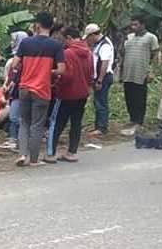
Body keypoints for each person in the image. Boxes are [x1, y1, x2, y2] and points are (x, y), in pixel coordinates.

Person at [12, 11, 65, 166]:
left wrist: (28, 68)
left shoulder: (26, 43)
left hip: (24, 88)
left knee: (24, 122)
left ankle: (22, 155)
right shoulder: (56, 45)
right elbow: (62, 69)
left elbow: (15, 64)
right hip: (42, 89)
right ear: (51, 26)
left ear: (38, 25)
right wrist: (49, 71)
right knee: (37, 124)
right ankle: (34, 160)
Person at [44, 27, 93, 163]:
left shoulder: (68, 53)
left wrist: (54, 76)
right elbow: (90, 73)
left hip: (67, 93)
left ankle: (50, 153)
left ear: (69, 38)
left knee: (56, 123)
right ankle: (71, 152)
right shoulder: (88, 52)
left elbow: (66, 75)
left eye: (65, 39)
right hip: (82, 93)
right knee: (76, 123)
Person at [120, 15, 160, 136]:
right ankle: (132, 119)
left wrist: (152, 71)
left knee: (140, 97)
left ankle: (139, 121)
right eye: (132, 25)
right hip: (128, 72)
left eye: (136, 24)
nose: (133, 27)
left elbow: (156, 56)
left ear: (143, 25)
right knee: (129, 97)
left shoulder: (151, 38)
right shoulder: (129, 37)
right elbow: (122, 53)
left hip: (141, 72)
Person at [0, 30, 28, 151]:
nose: (11, 43)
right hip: (15, 90)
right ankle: (14, 138)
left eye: (13, 40)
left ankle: (18, 138)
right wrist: (7, 85)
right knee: (15, 116)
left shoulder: (23, 59)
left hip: (22, 90)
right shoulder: (15, 59)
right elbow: (11, 76)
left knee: (16, 117)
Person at [83, 23, 115, 136]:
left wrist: (100, 80)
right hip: (100, 77)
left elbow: (104, 63)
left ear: (93, 35)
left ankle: (102, 127)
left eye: (88, 37)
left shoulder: (105, 45)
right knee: (98, 101)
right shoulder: (99, 44)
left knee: (101, 102)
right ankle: (98, 126)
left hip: (104, 77)